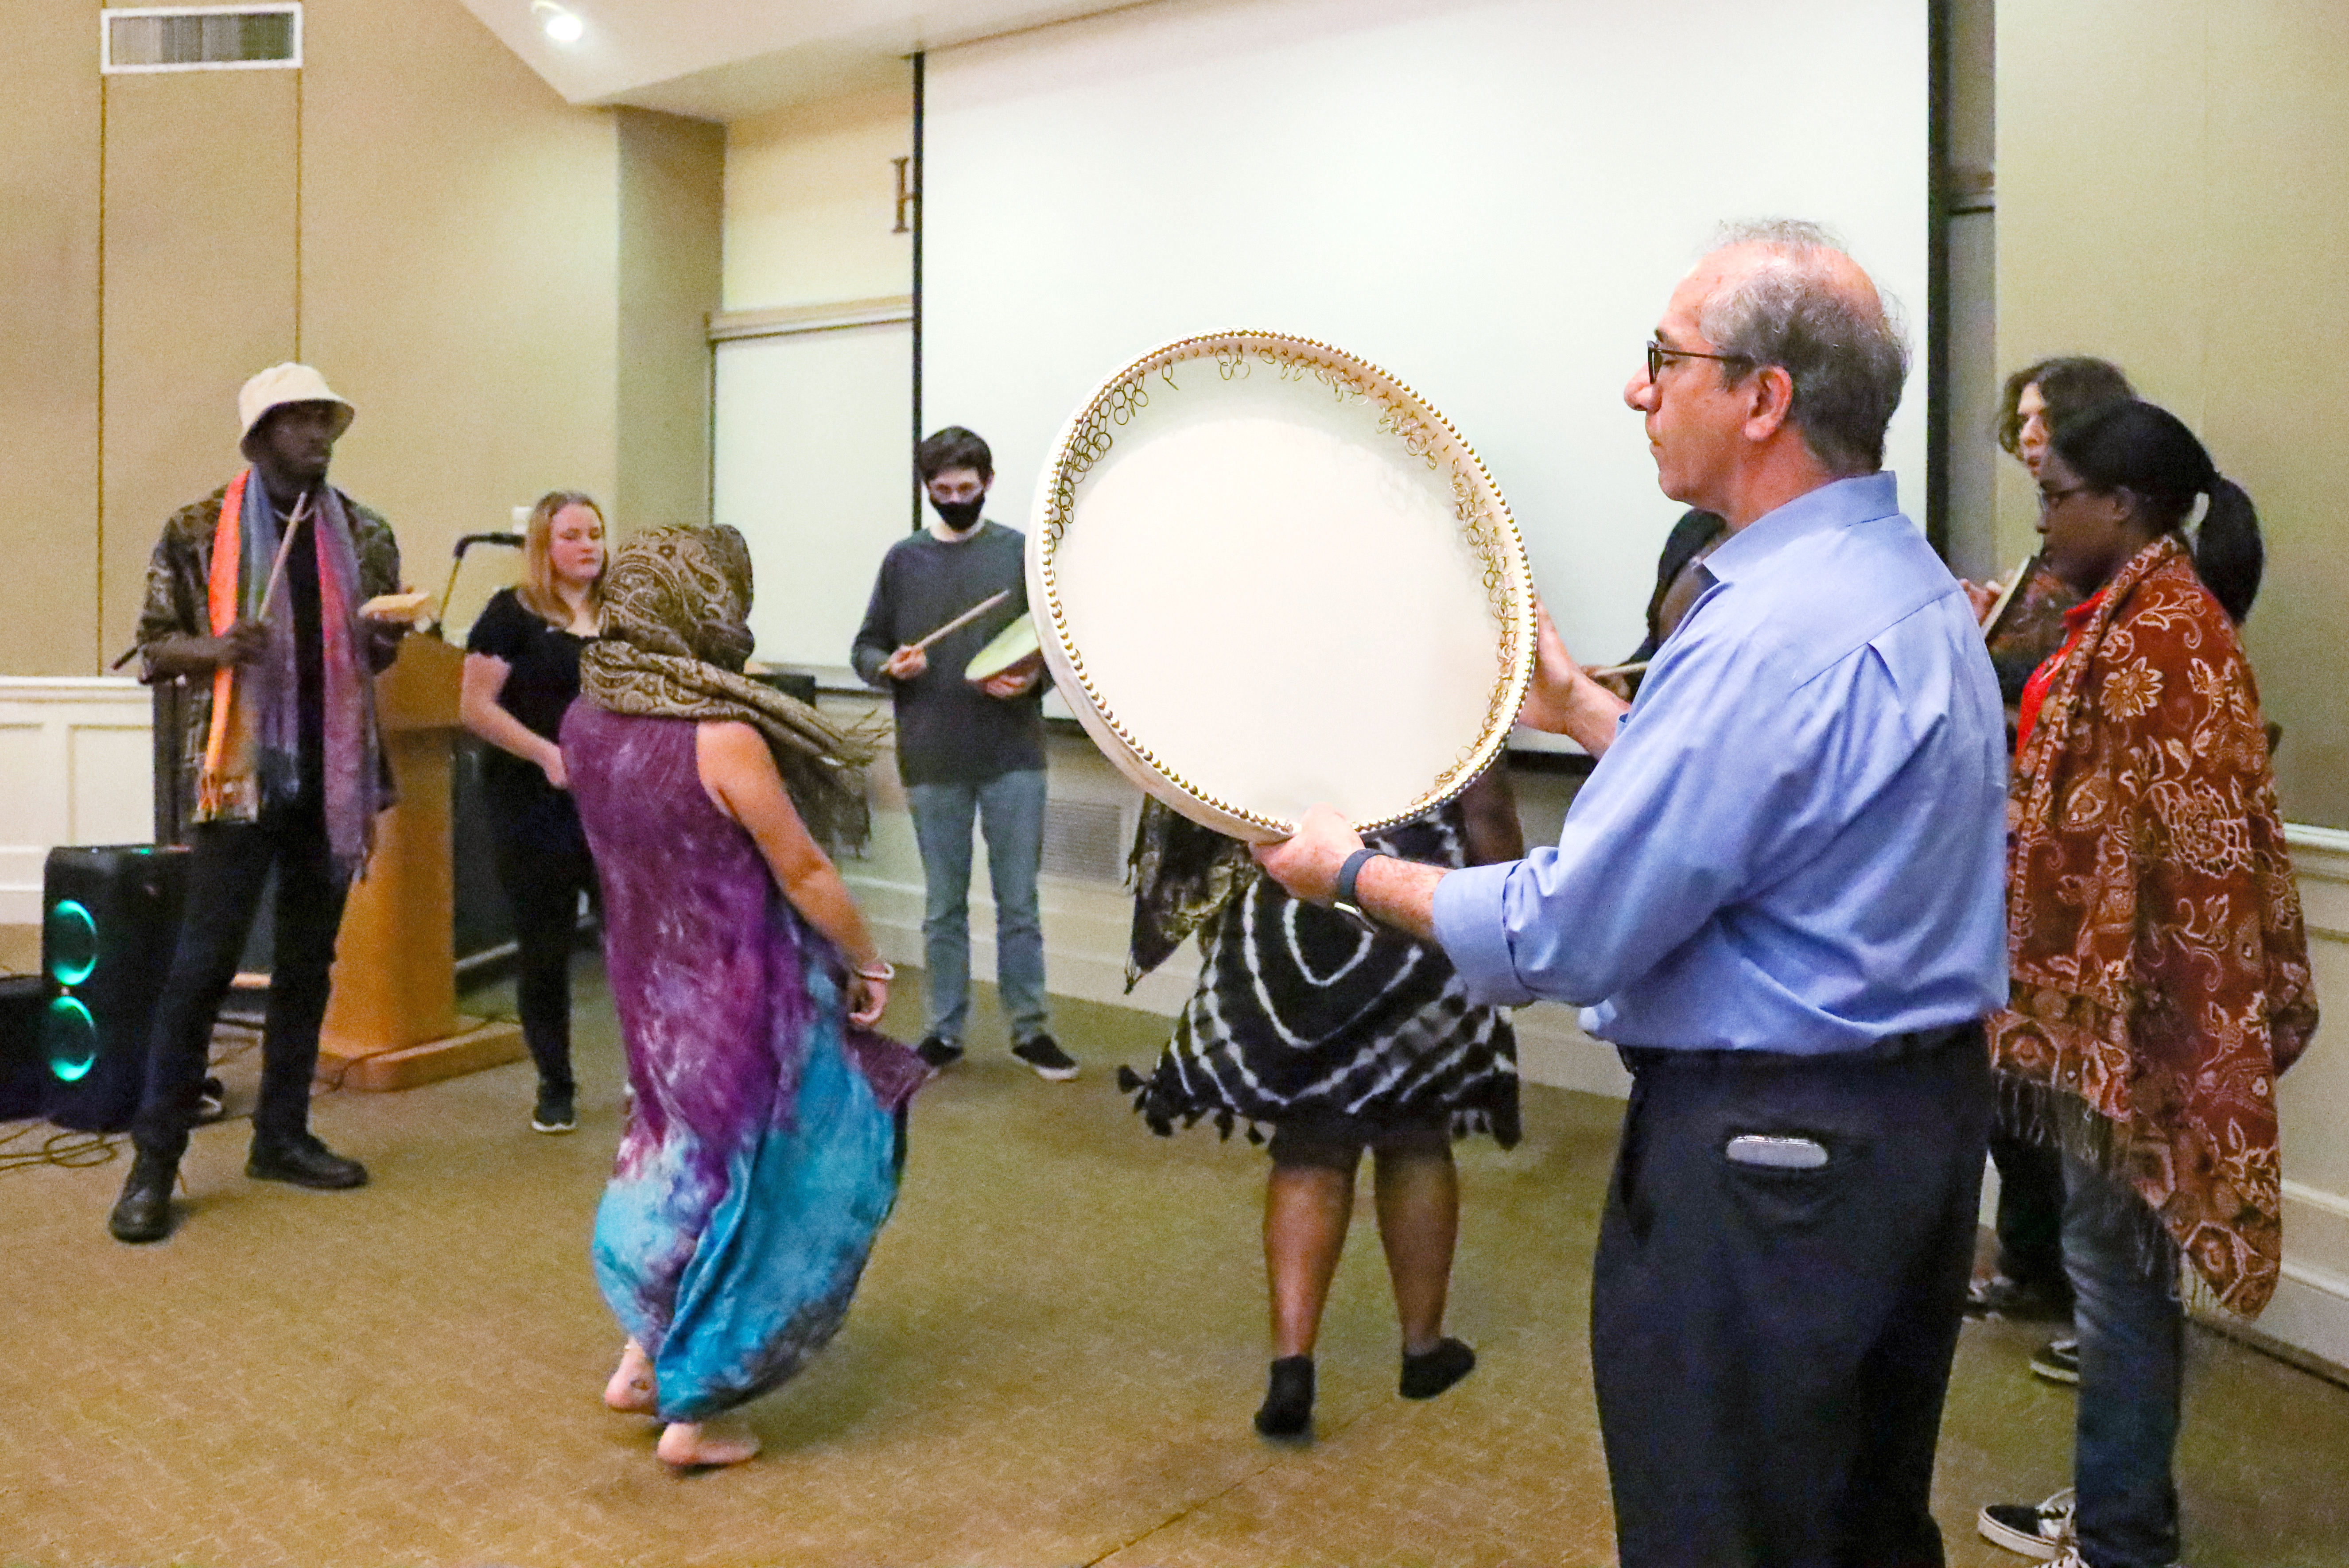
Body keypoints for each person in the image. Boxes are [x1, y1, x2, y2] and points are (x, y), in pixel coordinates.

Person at [1255, 221, 2009, 1567]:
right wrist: (1590, 710)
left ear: (1764, 397)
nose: (1637, 388)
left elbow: (1568, 924)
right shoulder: (1901, 587)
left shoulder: (1770, 627)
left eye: (1666, 359)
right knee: (1857, 1515)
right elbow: (1781, 810)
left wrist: (1352, 870)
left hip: (1768, 1158)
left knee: (1725, 1525)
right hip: (1911, 1130)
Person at [1974, 401, 2313, 1568]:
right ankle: (2127, 1511)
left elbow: (2167, 854)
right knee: (2120, 1274)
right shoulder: (2142, 617)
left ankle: (2121, 1538)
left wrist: (2115, 1022)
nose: (2041, 517)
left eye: (2054, 495)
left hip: (2136, 1021)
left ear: (2118, 505)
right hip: (2121, 1010)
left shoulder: (2160, 640)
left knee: (2117, 1280)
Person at [563, 524, 928, 1469]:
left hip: (650, 991)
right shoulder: (719, 733)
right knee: (781, 1181)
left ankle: (644, 1356)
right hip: (746, 995)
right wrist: (869, 960)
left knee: (676, 1160)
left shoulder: (588, 714)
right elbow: (803, 871)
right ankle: (702, 1409)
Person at [1117, 768, 1524, 1440]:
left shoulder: (1268, 662)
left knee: (1310, 1142)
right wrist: (1509, 914)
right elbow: (1486, 806)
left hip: (1286, 891)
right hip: (1416, 898)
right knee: (1418, 1133)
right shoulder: (1460, 665)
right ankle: (1423, 1351)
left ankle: (1292, 1366)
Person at [109, 363, 415, 1245]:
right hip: (236, 778)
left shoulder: (364, 530)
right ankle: (154, 1162)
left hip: (331, 777)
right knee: (201, 968)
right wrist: (216, 647)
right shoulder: (198, 528)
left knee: (309, 962)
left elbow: (377, 658)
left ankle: (281, 1136)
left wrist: (384, 639)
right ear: (260, 437)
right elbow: (155, 649)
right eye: (300, 423)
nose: (319, 437)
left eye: (326, 422)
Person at [1963, 357, 2136, 1347]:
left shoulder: (2130, 581)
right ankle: (2034, 1265)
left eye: (2044, 423)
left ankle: (2086, 1297)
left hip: (2073, 884)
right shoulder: (2059, 553)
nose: (2027, 436)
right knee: (2012, 1088)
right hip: (2014, 856)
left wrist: (1989, 635)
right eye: (2022, 422)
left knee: (2068, 1103)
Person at [851, 426, 1075, 1081]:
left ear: (988, 483)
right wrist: (889, 666)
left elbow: (1060, 649)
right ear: (928, 490)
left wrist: (1035, 680)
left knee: (1019, 903)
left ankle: (1030, 1031)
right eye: (943, 491)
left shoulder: (1019, 554)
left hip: (1014, 756)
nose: (956, 499)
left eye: (966, 489)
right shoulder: (903, 561)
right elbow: (864, 648)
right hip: (932, 756)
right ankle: (944, 1031)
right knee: (943, 904)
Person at [460, 490, 607, 1133]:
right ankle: (556, 1084)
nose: (589, 546)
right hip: (533, 804)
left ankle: (651, 1076)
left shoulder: (622, 614)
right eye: (573, 535)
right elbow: (477, 707)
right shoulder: (509, 615)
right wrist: (546, 754)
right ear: (544, 547)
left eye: (596, 534)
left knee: (631, 942)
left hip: (613, 805)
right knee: (544, 948)